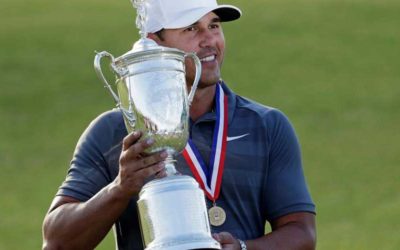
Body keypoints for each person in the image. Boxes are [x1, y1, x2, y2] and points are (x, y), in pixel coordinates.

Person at [42, 0, 316, 249]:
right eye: (191, 29)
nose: (210, 40)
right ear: (155, 43)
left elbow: (302, 234)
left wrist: (243, 248)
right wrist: (120, 188)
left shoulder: (266, 125)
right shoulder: (113, 132)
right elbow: (56, 242)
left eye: (214, 25)